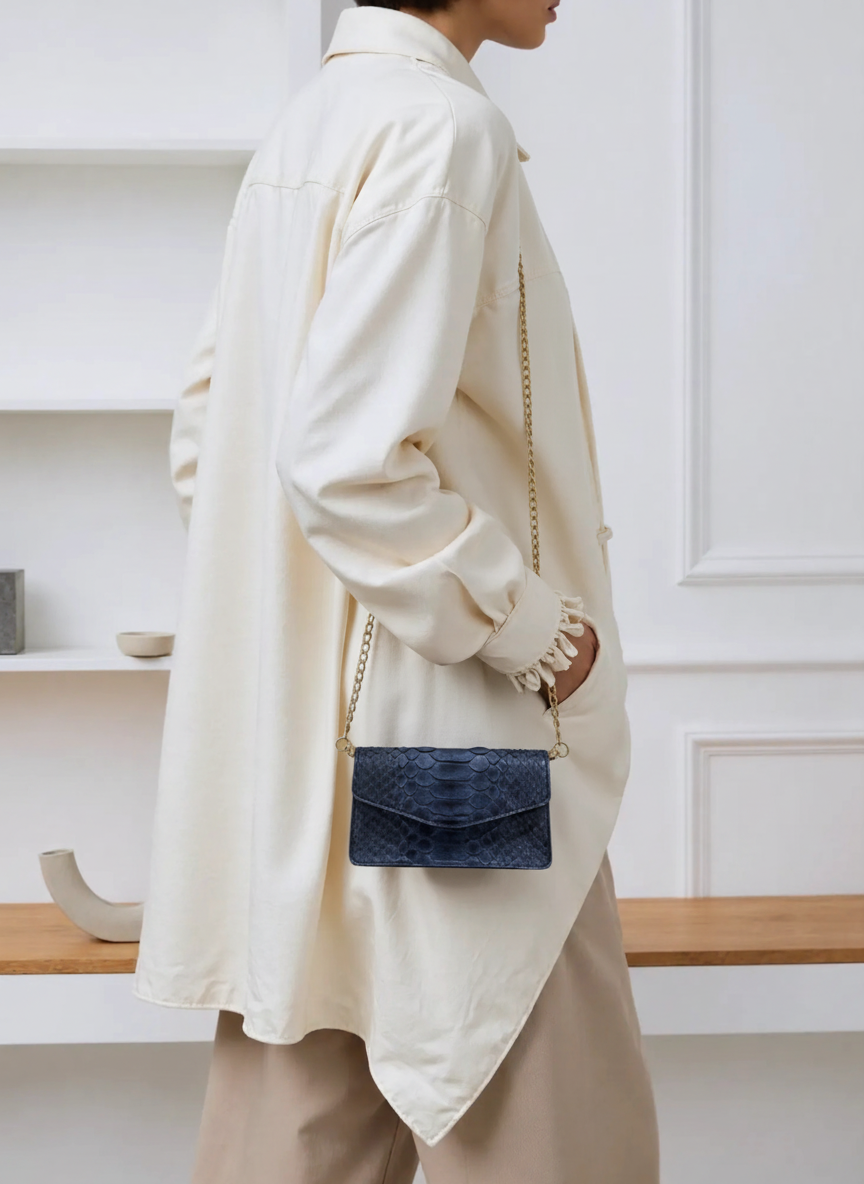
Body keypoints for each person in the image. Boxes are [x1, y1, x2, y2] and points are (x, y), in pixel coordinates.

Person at [134, 2, 661, 1180]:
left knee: (298, 1121)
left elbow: (210, 441)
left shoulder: (312, 123)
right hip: (457, 734)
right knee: (544, 1126)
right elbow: (342, 462)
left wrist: (301, 625)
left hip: (304, 764)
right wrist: (540, 633)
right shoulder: (443, 130)